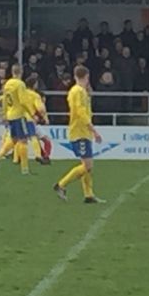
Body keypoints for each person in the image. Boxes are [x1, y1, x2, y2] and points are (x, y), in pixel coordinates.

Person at [54, 65, 104, 203]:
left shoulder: (78, 91)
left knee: (86, 165)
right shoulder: (78, 92)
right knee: (88, 166)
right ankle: (61, 185)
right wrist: (93, 130)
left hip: (82, 132)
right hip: (80, 132)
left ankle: (88, 195)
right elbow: (80, 112)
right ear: (87, 77)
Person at [0, 63, 39, 176]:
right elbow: (23, 101)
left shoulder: (8, 84)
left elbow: (4, 100)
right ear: (21, 72)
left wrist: (5, 114)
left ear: (12, 72)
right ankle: (25, 169)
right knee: (23, 141)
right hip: (19, 115)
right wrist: (32, 113)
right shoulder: (20, 84)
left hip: (10, 114)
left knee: (13, 139)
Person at [25, 73, 52, 165]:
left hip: (20, 119)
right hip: (31, 120)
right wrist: (45, 118)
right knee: (45, 140)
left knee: (22, 140)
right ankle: (45, 157)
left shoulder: (22, 94)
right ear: (34, 84)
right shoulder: (35, 95)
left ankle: (42, 156)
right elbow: (40, 109)